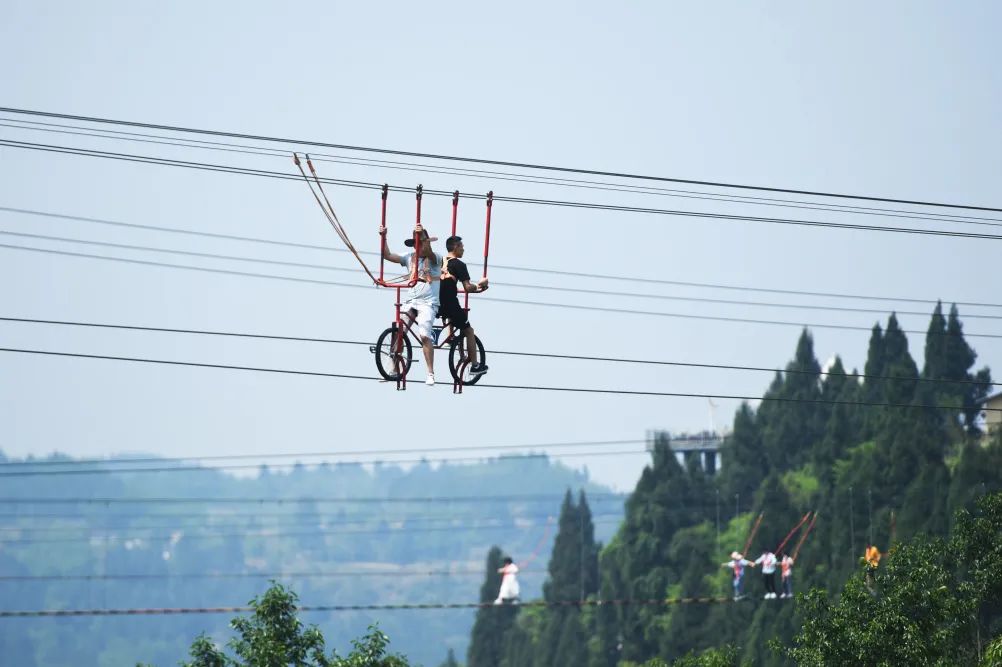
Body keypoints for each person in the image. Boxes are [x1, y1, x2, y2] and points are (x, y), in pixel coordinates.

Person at [380, 223, 442, 385]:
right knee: (398, 331)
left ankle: (430, 372)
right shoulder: (409, 257)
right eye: (416, 242)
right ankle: (393, 368)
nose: (418, 245)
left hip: (428, 303)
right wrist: (383, 237)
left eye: (420, 242)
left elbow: (428, 251)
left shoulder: (436, 258)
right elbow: (387, 255)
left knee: (424, 334)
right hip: (411, 301)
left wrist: (423, 237)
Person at [440, 236, 489, 376]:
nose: (463, 249)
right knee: (469, 330)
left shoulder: (438, 261)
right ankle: (475, 365)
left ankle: (450, 337)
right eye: (461, 246)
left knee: (453, 312)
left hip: (436, 303)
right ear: (455, 247)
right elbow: (467, 287)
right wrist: (479, 286)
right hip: (449, 304)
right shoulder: (459, 264)